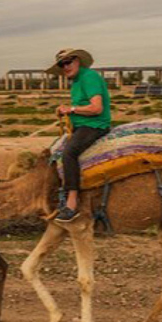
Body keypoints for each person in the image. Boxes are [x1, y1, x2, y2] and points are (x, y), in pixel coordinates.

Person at [47, 48, 111, 223]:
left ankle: (72, 203)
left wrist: (71, 109)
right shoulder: (76, 81)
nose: (65, 67)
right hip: (82, 125)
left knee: (69, 153)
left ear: (77, 61)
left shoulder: (88, 77)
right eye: (62, 64)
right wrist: (66, 111)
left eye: (68, 62)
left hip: (94, 125)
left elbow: (96, 108)